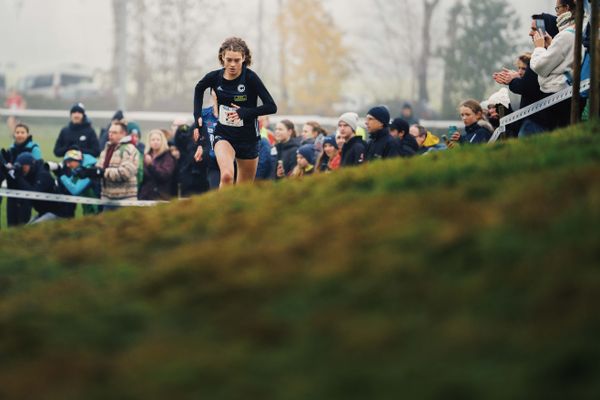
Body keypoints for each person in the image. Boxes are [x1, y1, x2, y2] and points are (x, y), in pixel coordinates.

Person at [193, 37, 277, 188]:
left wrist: (245, 112)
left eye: (237, 60)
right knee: (226, 176)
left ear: (244, 58)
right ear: (222, 57)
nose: (232, 64)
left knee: (243, 190)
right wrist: (197, 116)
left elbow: (271, 107)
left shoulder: (250, 78)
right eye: (229, 59)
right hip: (224, 134)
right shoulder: (214, 77)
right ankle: (220, 211)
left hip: (248, 138)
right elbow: (199, 88)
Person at [530, 2, 576, 129]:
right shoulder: (569, 34)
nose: (556, 12)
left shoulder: (566, 35)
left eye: (558, 8)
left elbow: (540, 67)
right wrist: (551, 45)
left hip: (559, 96)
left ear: (567, 8)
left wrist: (539, 48)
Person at [7, 153, 70, 224]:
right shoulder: (29, 174)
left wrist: (19, 178)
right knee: (25, 230)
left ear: (31, 165)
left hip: (58, 213)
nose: (22, 170)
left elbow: (34, 194)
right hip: (44, 212)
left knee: (32, 230)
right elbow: (17, 189)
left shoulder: (43, 175)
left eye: (24, 167)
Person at [2, 123, 43, 226]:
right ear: (14, 134)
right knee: (11, 222)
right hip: (12, 189)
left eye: (22, 132)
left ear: (28, 134)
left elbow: (38, 168)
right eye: (17, 132)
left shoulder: (34, 148)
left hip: (26, 188)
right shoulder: (11, 148)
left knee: (22, 223)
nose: (19, 135)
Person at [95, 122, 140, 210]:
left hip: (125, 201)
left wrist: (103, 172)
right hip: (107, 199)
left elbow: (125, 172)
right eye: (110, 132)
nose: (110, 134)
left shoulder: (129, 149)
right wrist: (91, 171)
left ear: (123, 134)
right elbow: (99, 167)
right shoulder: (106, 149)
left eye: (114, 132)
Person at [139, 130, 177, 201]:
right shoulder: (146, 156)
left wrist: (150, 165)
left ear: (162, 141)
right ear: (149, 142)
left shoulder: (168, 157)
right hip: (145, 196)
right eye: (153, 140)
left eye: (158, 140)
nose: (155, 142)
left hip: (161, 197)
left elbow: (164, 175)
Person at [175, 123, 210, 196]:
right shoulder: (187, 142)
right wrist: (182, 127)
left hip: (203, 177)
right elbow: (178, 139)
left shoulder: (206, 144)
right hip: (187, 177)